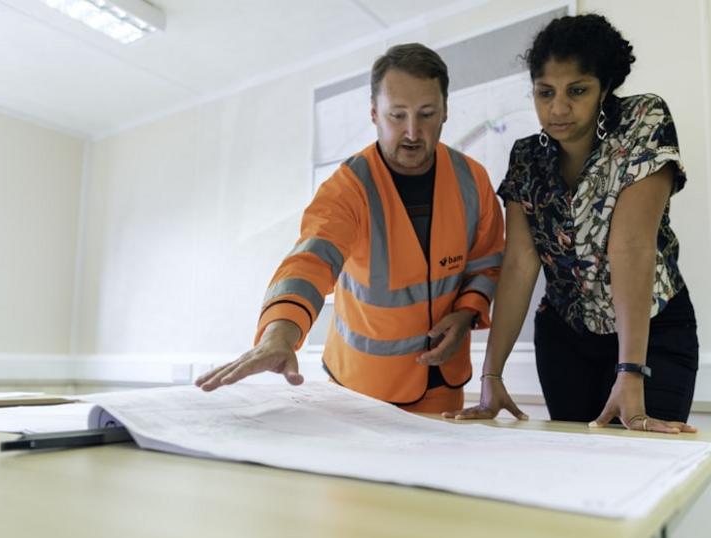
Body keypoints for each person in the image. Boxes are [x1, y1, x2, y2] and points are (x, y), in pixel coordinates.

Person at [196, 43, 505, 414]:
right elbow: (310, 262)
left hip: (444, 385)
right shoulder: (346, 189)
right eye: (397, 116)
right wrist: (279, 335)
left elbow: (486, 262)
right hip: (362, 391)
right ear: (374, 114)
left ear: (445, 113)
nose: (412, 131)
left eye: (426, 114)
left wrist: (467, 312)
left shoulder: (473, 180)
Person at [444, 14, 698, 434]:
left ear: (604, 88)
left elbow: (630, 246)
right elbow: (520, 265)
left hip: (652, 333)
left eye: (577, 91)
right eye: (545, 93)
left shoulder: (642, 121)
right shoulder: (527, 157)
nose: (558, 108)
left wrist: (631, 370)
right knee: (578, 476)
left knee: (639, 468)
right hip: (565, 340)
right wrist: (491, 377)